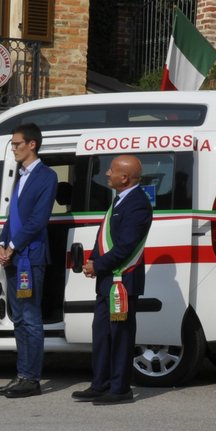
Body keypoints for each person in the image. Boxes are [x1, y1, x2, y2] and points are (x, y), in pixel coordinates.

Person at [73, 155, 154, 405]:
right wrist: (92, 261)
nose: (107, 173)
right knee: (101, 334)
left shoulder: (137, 204)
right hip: (108, 281)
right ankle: (101, 384)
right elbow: (106, 237)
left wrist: (98, 265)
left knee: (120, 337)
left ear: (125, 178)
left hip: (123, 282)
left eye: (112, 170)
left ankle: (120, 388)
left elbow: (126, 246)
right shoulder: (119, 201)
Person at [0, 124, 56, 398]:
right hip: (13, 256)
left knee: (30, 318)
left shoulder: (46, 176)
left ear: (32, 144)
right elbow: (13, 217)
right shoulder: (20, 176)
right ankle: (21, 374)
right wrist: (2, 243)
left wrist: (14, 245)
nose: (14, 148)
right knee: (18, 318)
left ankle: (32, 378)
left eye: (17, 143)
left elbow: (37, 220)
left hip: (29, 257)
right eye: (12, 144)